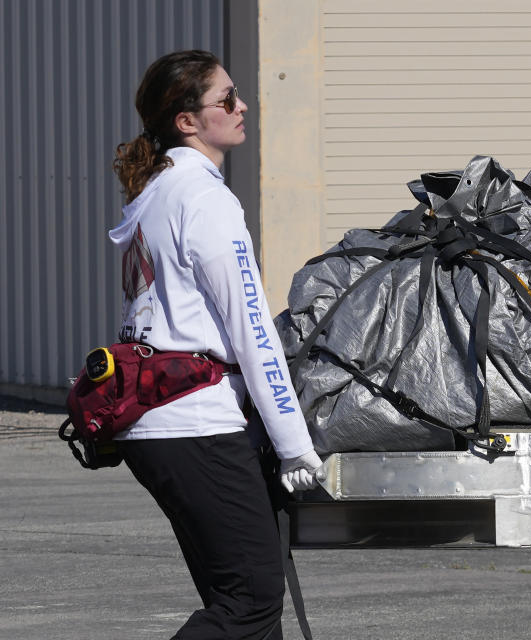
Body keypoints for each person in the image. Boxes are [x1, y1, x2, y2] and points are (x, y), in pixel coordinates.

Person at [110, 50, 324, 639]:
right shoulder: (206, 199)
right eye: (226, 99)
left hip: (158, 424)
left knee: (245, 606)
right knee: (250, 603)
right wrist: (293, 444)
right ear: (187, 120)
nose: (242, 106)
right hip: (196, 425)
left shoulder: (157, 193)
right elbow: (252, 330)